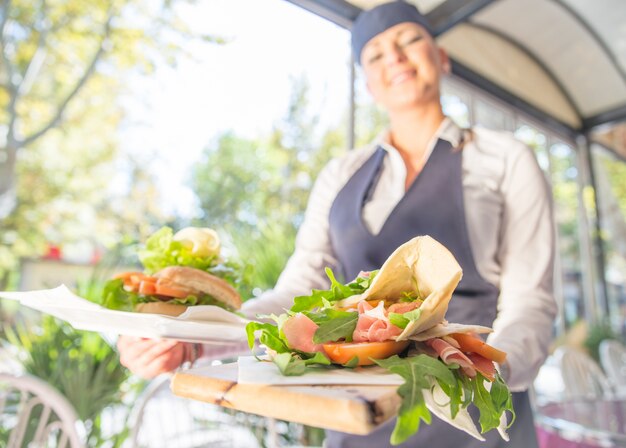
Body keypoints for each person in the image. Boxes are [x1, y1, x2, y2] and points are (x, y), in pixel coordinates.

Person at [117, 1, 557, 447]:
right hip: (355, 413)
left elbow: (530, 302)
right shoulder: (341, 174)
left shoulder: (505, 159)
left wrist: (490, 368)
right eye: (377, 54)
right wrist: (192, 341)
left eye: (409, 41)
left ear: (441, 58)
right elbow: (297, 292)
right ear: (369, 84)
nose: (397, 58)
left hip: (476, 414)